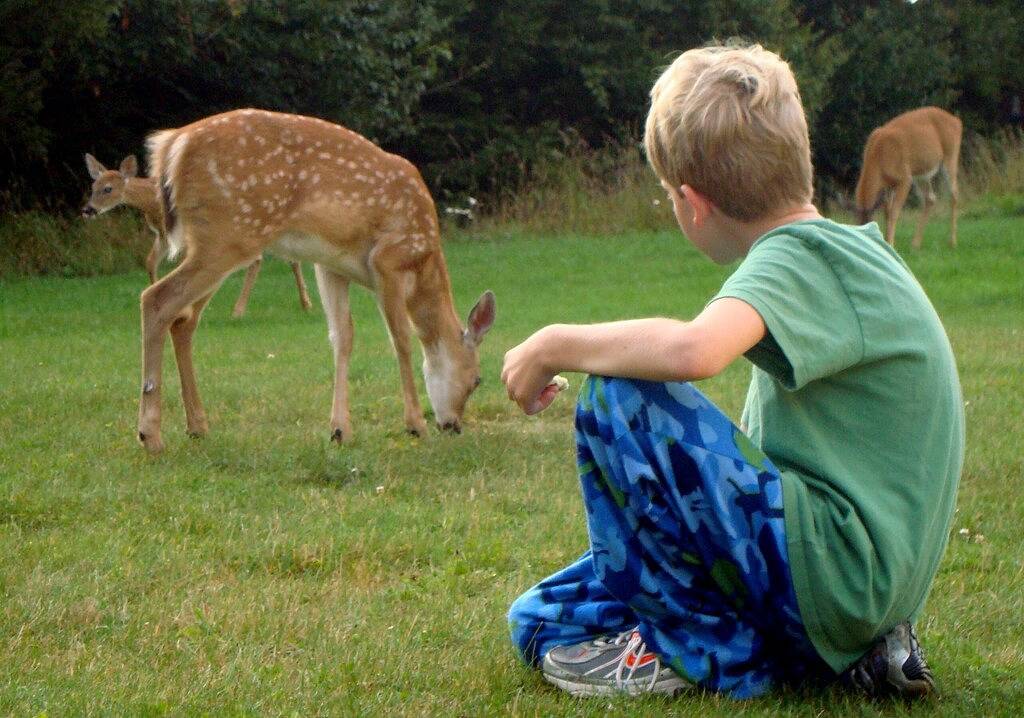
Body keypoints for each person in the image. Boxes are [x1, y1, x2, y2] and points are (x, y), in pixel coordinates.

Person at [500, 43, 963, 699]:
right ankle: (834, 655)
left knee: (620, 398)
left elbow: (696, 352)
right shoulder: (844, 252)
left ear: (692, 203)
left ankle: (711, 653)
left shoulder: (798, 257)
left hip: (840, 577)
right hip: (841, 582)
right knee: (541, 620)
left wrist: (552, 342)